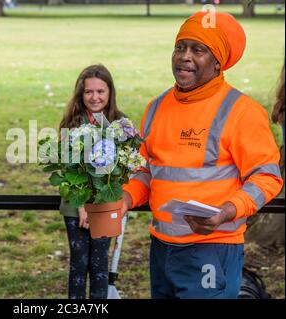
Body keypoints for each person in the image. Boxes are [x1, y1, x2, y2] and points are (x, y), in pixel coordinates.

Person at [121, 12, 283, 299]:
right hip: (161, 247)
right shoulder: (155, 107)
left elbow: (267, 178)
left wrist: (226, 212)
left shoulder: (242, 111)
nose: (184, 56)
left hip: (214, 247)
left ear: (218, 62)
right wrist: (125, 198)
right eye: (180, 47)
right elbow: (144, 170)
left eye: (198, 50)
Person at [59, 64, 125, 299]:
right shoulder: (72, 123)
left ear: (110, 93)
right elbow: (68, 169)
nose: (94, 97)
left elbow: (123, 165)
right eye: (89, 92)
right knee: (79, 265)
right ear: (81, 94)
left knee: (99, 266)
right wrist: (82, 207)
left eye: (100, 91)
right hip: (76, 207)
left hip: (105, 205)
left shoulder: (120, 122)